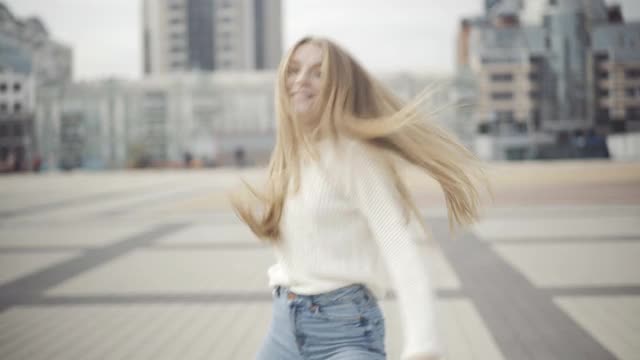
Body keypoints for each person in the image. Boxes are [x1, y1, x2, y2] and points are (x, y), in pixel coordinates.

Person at [231, 36, 491, 360]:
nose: (300, 80)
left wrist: (422, 345)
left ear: (338, 86)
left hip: (344, 332)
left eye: (317, 72)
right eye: (294, 70)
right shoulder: (291, 154)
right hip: (284, 329)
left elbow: (402, 251)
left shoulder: (355, 158)